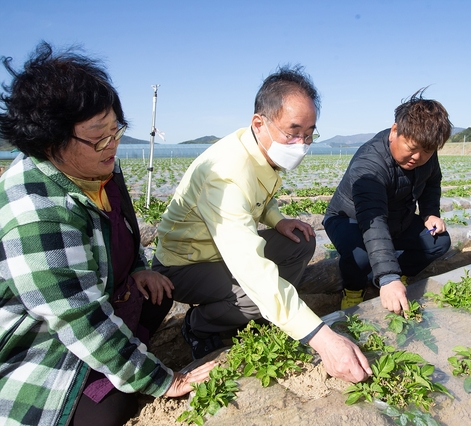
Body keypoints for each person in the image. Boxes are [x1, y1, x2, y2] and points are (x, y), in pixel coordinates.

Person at [0, 42, 216, 426]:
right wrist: (164, 381)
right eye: (99, 136)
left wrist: (137, 265)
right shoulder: (36, 214)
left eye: (116, 129)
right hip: (37, 344)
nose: (113, 144)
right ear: (52, 142)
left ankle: (118, 360)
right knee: (110, 409)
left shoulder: (99, 167)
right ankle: (110, 370)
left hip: (95, 301)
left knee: (156, 291)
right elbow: (80, 320)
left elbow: (123, 226)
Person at [152, 65, 371, 383]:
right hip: (183, 263)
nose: (301, 144)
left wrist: (278, 220)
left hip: (219, 253)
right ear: (260, 123)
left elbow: (261, 197)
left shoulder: (258, 147)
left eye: (309, 135)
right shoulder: (227, 173)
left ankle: (268, 313)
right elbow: (251, 268)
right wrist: (322, 338)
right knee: (256, 293)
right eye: (293, 132)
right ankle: (199, 324)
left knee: (302, 240)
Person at [323, 89, 453, 313]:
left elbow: (432, 183)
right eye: (412, 149)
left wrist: (430, 213)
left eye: (427, 151)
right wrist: (387, 275)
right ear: (395, 131)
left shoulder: (425, 152)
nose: (417, 158)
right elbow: (372, 222)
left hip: (396, 218)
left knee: (439, 242)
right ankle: (354, 288)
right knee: (361, 255)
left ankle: (395, 275)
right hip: (351, 219)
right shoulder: (370, 165)